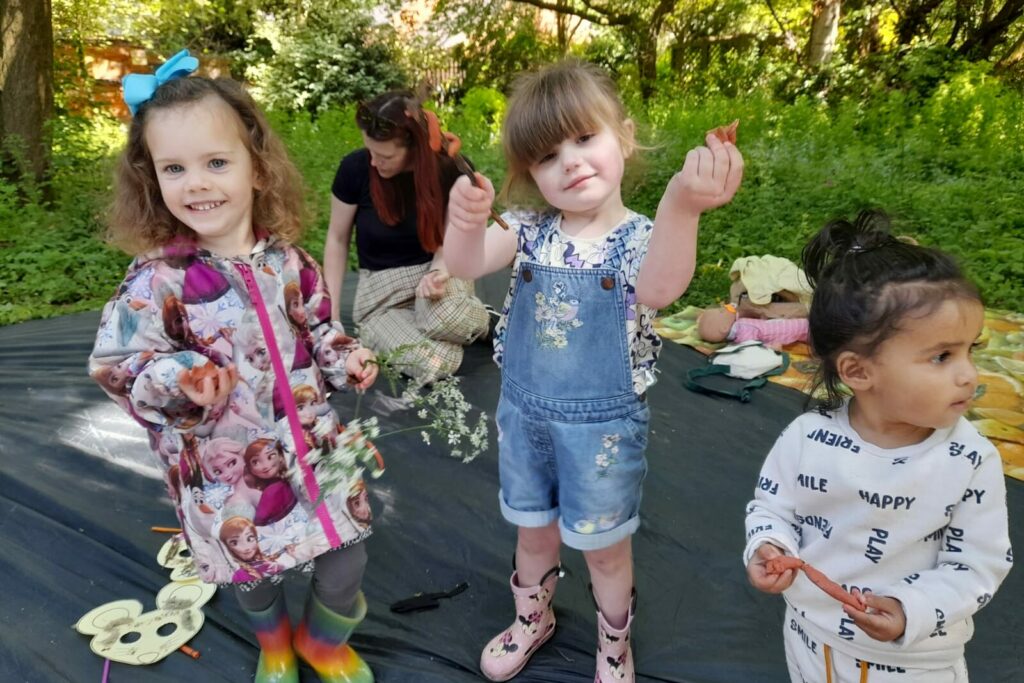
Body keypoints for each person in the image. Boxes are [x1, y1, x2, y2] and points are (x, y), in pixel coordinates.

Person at [443, 60, 744, 682]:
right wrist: (465, 221)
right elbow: (466, 263)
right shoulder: (527, 232)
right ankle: (534, 619)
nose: (571, 162)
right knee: (534, 536)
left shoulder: (639, 240)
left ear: (623, 136)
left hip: (602, 432)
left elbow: (659, 289)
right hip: (524, 420)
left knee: (606, 552)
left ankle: (613, 642)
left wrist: (681, 206)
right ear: (531, 174)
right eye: (549, 155)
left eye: (585, 139)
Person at [89, 50, 379, 683]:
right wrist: (180, 381)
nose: (196, 183)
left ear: (256, 166)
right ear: (152, 179)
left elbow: (319, 327)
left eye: (216, 162)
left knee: (346, 557)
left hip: (314, 445)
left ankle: (323, 643)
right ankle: (274, 645)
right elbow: (118, 368)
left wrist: (343, 355)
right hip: (225, 471)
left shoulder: (290, 262)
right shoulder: (154, 283)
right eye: (175, 168)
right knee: (252, 574)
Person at [744, 210, 1013, 682]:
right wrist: (768, 546)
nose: (969, 373)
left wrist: (912, 609)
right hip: (810, 640)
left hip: (913, 662)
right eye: (942, 356)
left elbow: (978, 564)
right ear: (858, 372)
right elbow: (771, 507)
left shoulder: (969, 460)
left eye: (972, 349)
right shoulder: (808, 439)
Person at [324, 90, 491, 388]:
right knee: (436, 362)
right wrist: (332, 317)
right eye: (370, 151)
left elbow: (453, 238)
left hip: (435, 274)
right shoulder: (355, 169)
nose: (374, 162)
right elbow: (336, 240)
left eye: (385, 155)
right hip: (381, 297)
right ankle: (455, 328)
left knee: (445, 316)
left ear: (414, 148)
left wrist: (440, 270)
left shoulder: (450, 168)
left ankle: (483, 321)